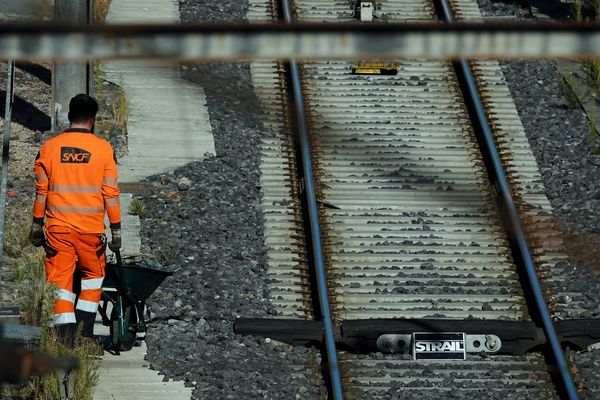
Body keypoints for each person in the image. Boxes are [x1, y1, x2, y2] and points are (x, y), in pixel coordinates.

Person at [29, 94, 121, 343]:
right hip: (91, 232)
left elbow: (41, 192)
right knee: (92, 279)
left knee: (60, 282)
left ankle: (65, 339)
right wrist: (116, 229)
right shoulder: (104, 150)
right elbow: (110, 193)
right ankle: (85, 335)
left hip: (58, 230)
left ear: (70, 117)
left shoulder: (49, 148)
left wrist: (37, 224)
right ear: (92, 120)